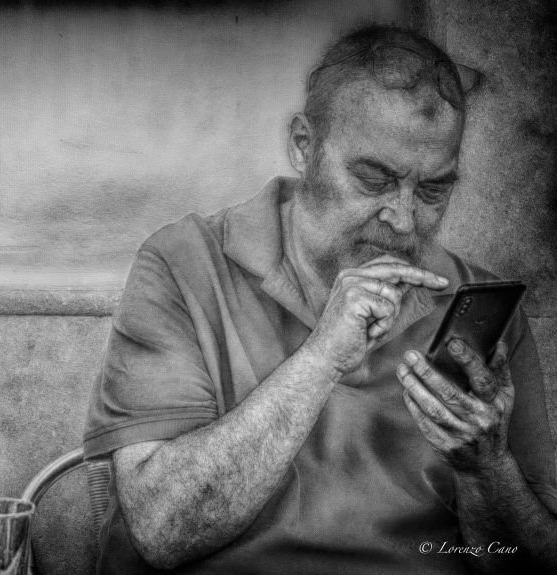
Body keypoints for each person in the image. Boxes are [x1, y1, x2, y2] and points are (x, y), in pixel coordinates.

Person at [83, 25, 557, 574]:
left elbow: (528, 565)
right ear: (304, 145)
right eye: (374, 179)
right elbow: (162, 531)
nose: (404, 221)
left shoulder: (480, 306)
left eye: (433, 190)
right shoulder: (183, 263)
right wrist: (321, 358)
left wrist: (486, 467)